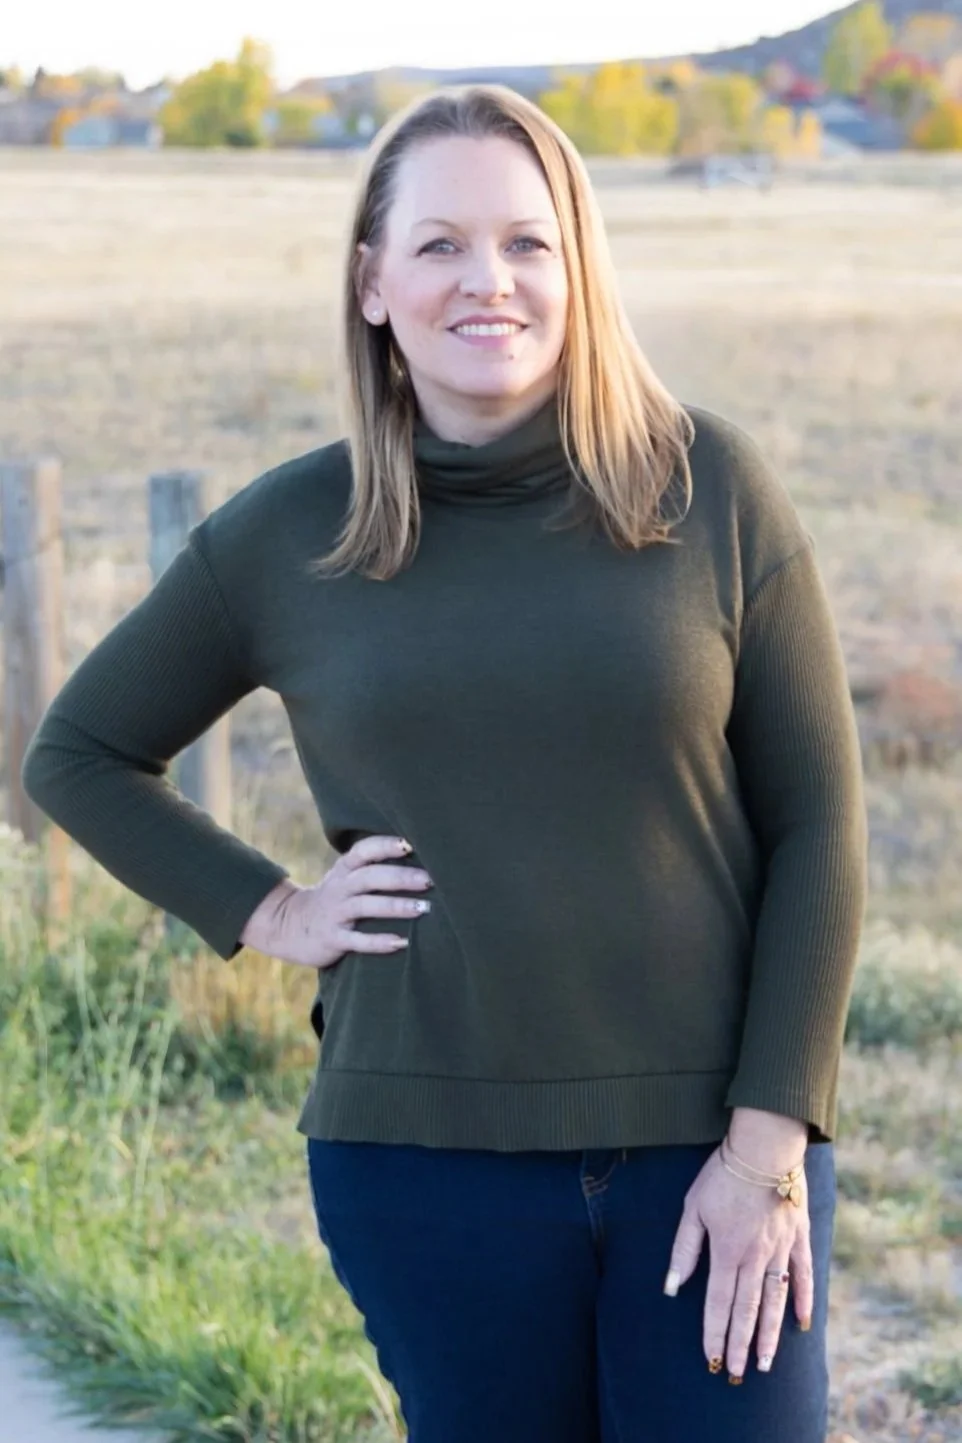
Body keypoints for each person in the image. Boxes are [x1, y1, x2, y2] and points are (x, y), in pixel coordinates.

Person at [21, 83, 868, 1443]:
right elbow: (78, 752)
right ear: (370, 280)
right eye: (440, 244)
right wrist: (270, 908)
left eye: (529, 242)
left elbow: (820, 824)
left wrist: (767, 1147)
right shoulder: (291, 532)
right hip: (422, 1162)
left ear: (577, 266)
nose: (491, 280)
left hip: (711, 1145)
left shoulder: (706, 485)